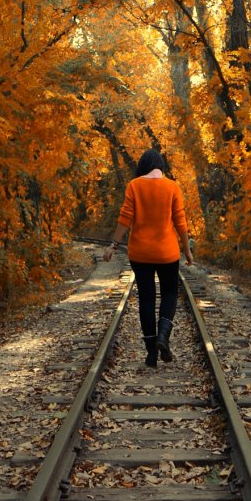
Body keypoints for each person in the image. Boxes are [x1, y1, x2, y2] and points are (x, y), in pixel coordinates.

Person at [105, 147, 194, 367]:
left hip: (140, 253)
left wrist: (113, 245)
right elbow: (180, 221)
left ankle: (151, 354)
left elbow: (125, 217)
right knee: (170, 293)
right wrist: (187, 249)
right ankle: (164, 335)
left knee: (146, 299)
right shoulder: (172, 187)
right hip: (167, 253)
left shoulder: (134, 186)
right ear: (161, 166)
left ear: (143, 166)